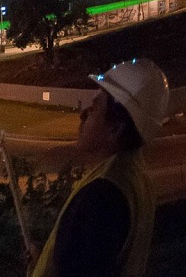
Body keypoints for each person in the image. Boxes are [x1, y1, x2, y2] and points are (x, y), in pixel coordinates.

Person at [30, 58, 169, 277]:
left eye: (94, 109)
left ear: (115, 129)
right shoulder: (133, 177)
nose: (82, 114)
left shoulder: (102, 197)